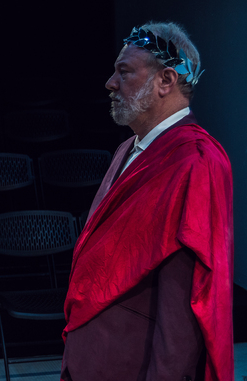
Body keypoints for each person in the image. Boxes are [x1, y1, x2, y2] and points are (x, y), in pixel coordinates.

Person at [61, 22, 233, 381]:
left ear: (166, 81)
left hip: (132, 364)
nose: (110, 83)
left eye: (124, 72)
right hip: (95, 355)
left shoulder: (195, 161)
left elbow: (185, 300)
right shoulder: (131, 146)